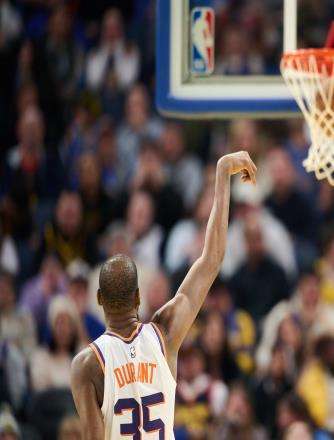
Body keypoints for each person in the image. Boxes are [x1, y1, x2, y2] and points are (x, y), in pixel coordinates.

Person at [70, 151, 257, 439]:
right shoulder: (163, 333)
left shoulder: (87, 364)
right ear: (138, 297)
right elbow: (212, 259)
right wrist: (223, 173)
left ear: (99, 298)